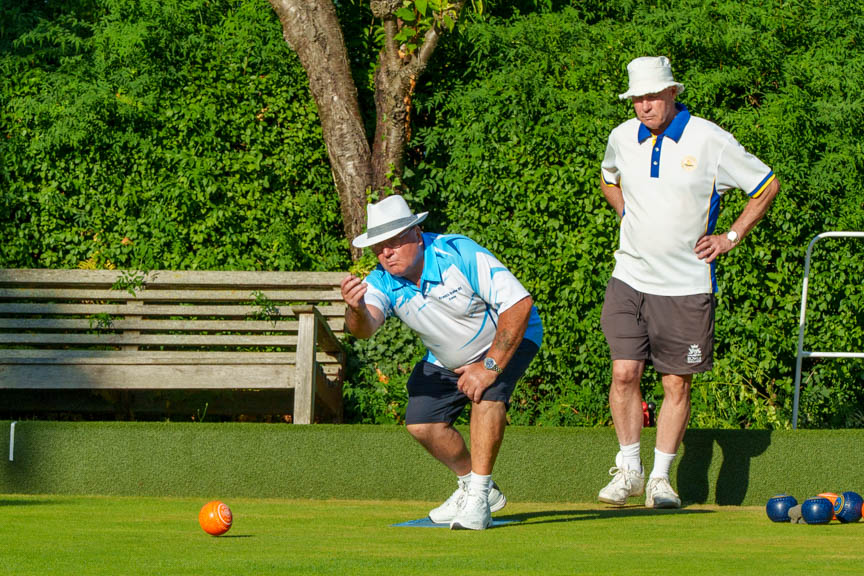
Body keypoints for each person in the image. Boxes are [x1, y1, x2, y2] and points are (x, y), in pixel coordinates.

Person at [597, 56, 780, 508]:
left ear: (672, 93)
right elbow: (608, 178)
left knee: (676, 384)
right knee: (623, 372)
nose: (644, 106)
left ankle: (660, 480)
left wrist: (730, 237)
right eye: (637, 98)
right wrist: (627, 214)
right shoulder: (621, 137)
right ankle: (630, 470)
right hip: (629, 277)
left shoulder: (710, 139)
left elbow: (766, 185)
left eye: (652, 96)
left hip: (686, 285)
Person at [341, 195, 542, 530]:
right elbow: (364, 329)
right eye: (379, 247)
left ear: (417, 234)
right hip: (447, 357)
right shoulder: (380, 280)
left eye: (394, 242)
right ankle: (473, 486)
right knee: (422, 423)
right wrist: (356, 309)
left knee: (486, 394)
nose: (386, 253)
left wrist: (489, 367)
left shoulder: (458, 253)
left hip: (509, 338)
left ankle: (478, 498)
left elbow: (519, 305)